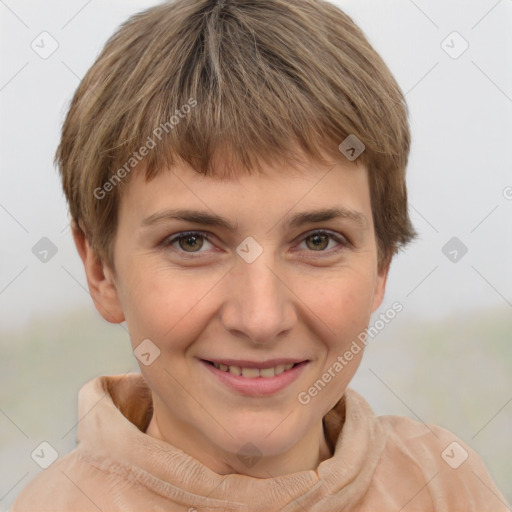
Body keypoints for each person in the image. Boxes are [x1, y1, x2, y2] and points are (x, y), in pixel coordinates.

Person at [11, 0, 509, 510]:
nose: (261, 318)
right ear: (102, 272)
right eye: (192, 242)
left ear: (381, 265)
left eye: (318, 240)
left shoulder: (449, 485)